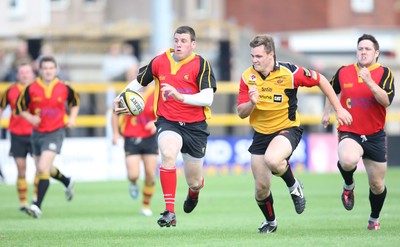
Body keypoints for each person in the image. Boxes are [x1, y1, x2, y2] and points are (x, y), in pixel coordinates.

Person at [237, 35, 353, 234]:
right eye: (252, 56)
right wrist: (252, 103)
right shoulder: (248, 76)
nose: (254, 60)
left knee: (273, 160)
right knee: (261, 189)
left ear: (271, 54)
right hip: (260, 134)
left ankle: (294, 187)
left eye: (258, 56)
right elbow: (241, 113)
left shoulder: (290, 73)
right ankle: (271, 222)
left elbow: (321, 80)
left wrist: (338, 109)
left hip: (287, 129)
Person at [113, 26, 217, 227]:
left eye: (184, 41)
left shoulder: (201, 64)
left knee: (194, 180)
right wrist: (120, 97)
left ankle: (195, 191)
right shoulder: (160, 61)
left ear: (193, 44)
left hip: (195, 127)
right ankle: (170, 211)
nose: (179, 44)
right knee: (168, 154)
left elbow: (208, 98)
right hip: (168, 121)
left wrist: (180, 96)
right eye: (176, 40)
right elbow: (138, 82)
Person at [322, 34, 395, 231]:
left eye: (367, 49)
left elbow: (386, 101)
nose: (363, 52)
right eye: (360, 48)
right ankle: (348, 185)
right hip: (350, 131)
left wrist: (370, 82)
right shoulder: (344, 72)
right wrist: (328, 111)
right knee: (347, 160)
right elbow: (330, 89)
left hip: (375, 135)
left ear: (376, 53)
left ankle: (374, 217)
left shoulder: (385, 73)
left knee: (377, 185)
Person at [0, 62, 75, 212]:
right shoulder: (11, 91)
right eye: (22, 72)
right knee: (23, 169)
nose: (25, 75)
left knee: (41, 168)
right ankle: (23, 203)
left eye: (27, 72)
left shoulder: (43, 87)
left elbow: (70, 102)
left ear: (32, 73)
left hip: (42, 132)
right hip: (18, 135)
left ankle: (36, 202)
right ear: (17, 74)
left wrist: (69, 118)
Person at [111, 85, 158, 216]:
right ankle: (133, 183)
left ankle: (145, 206)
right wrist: (115, 133)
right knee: (133, 175)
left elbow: (166, 112)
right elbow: (114, 113)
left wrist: (156, 122)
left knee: (150, 174)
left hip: (150, 137)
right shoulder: (127, 93)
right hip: (131, 137)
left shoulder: (157, 92)